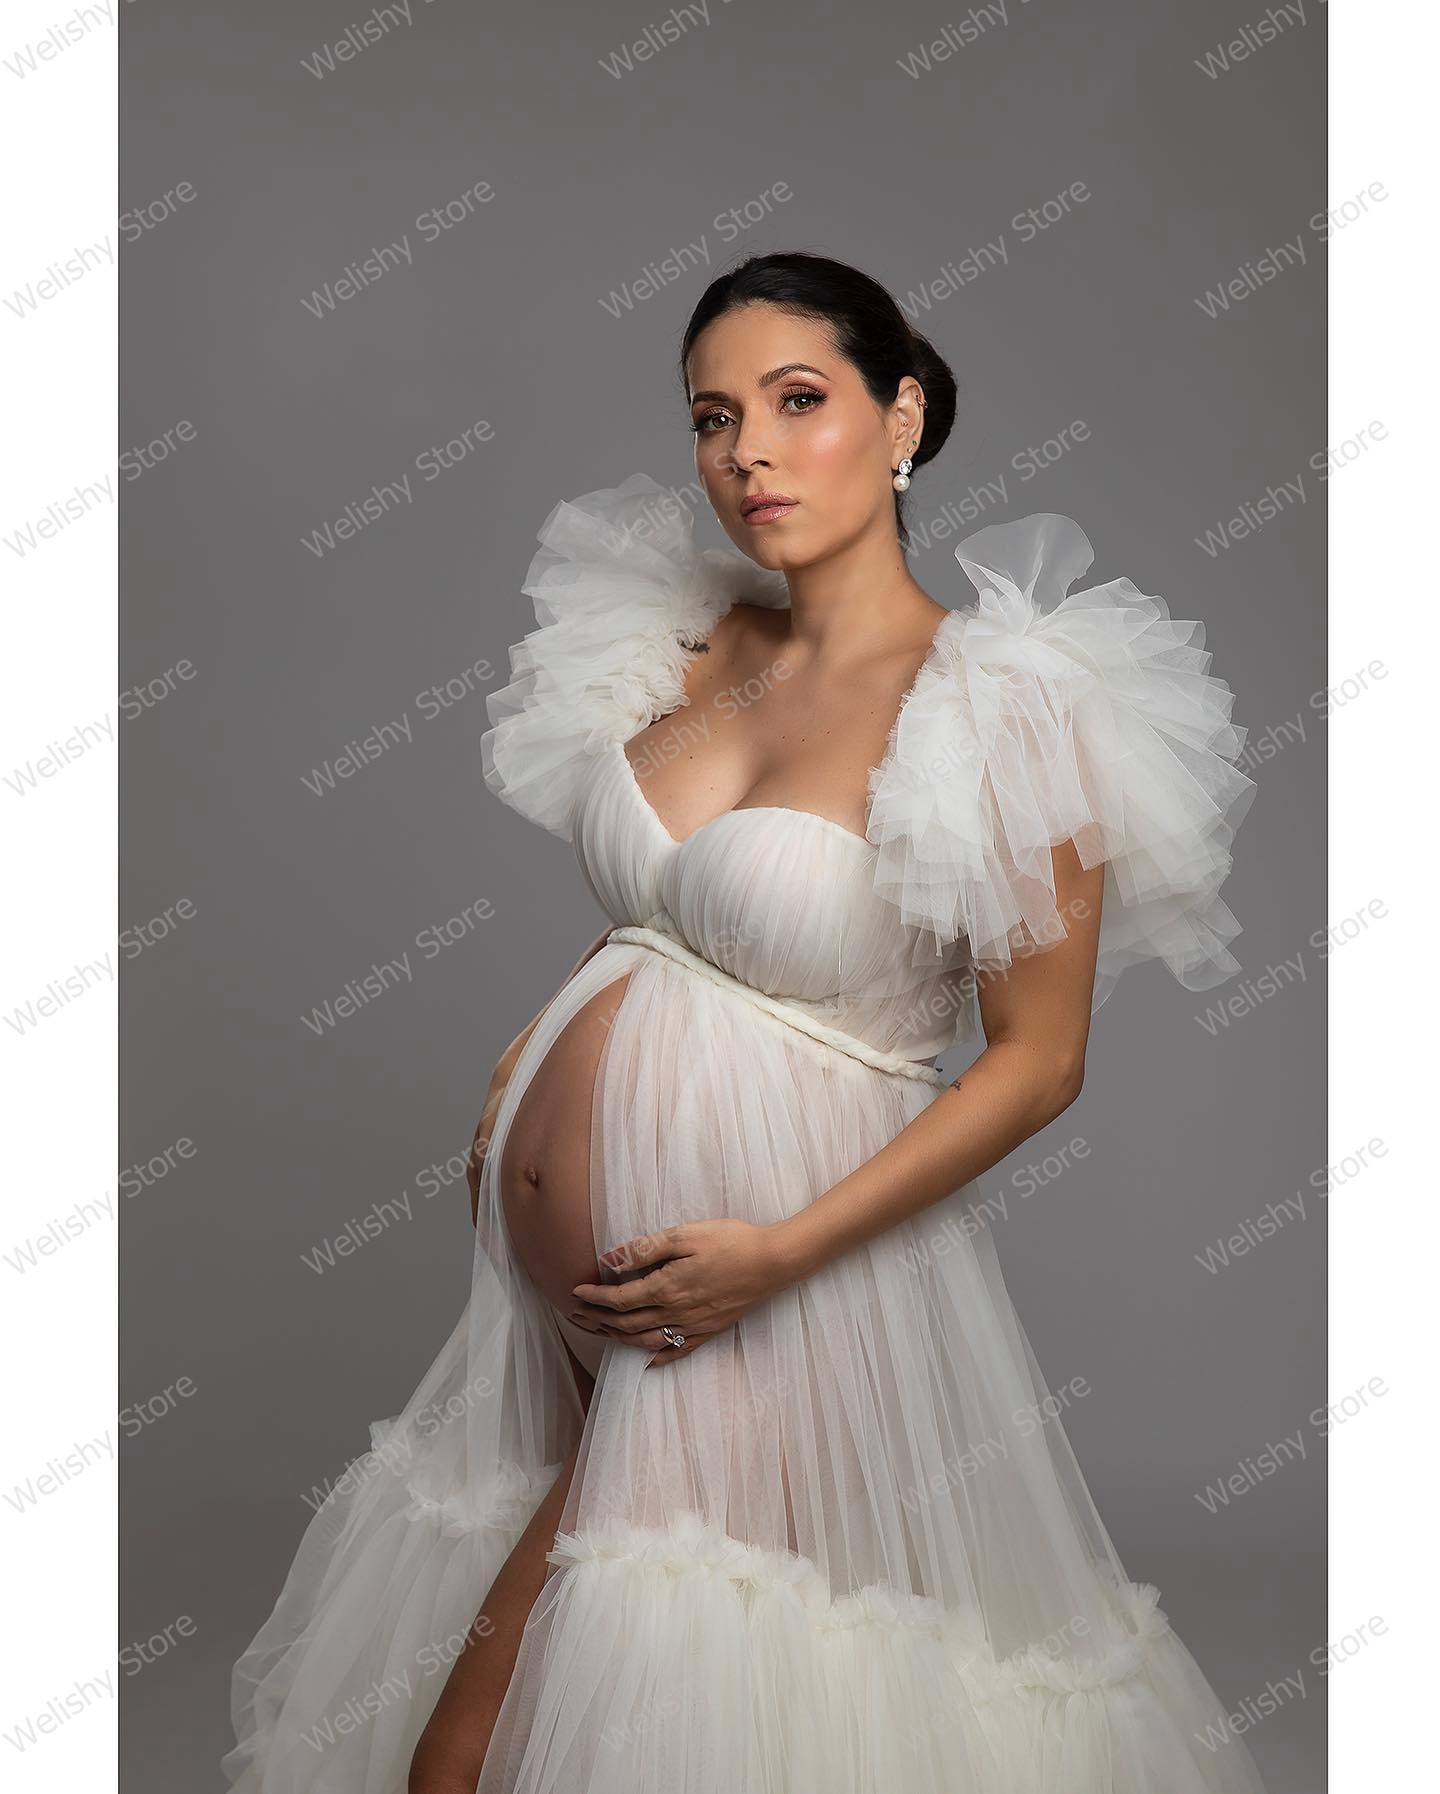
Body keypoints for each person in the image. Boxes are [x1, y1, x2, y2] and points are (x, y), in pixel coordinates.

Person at [225, 252, 1265, 1794]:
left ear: (900, 417)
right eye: (714, 418)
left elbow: (1041, 1061)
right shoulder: (696, 640)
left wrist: (775, 1255)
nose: (748, 453)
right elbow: (684, 913)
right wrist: (548, 1040)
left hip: (763, 1277)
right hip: (575, 1299)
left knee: (489, 1750)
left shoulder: (1001, 708)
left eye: (797, 401)